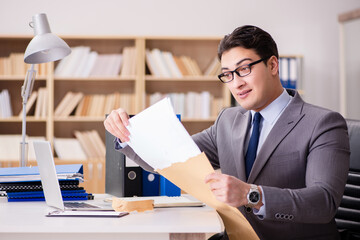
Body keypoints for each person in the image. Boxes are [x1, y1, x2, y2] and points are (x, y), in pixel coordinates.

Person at [104, 25, 350, 240]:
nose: (236, 83)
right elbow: (171, 158)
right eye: (228, 75)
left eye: (244, 70)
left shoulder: (322, 123)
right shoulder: (228, 121)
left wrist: (250, 194)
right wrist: (126, 133)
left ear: (273, 64)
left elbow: (323, 202)